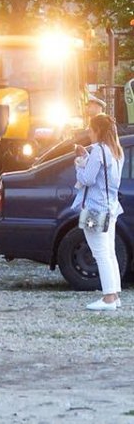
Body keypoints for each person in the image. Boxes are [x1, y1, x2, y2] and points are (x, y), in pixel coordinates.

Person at [70, 113, 125, 311]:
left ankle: (108, 298)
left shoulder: (99, 151)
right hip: (111, 208)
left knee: (100, 253)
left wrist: (79, 162)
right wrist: (87, 156)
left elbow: (88, 179)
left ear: (98, 130)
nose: (88, 132)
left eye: (90, 129)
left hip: (94, 209)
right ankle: (114, 295)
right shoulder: (117, 151)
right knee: (109, 252)